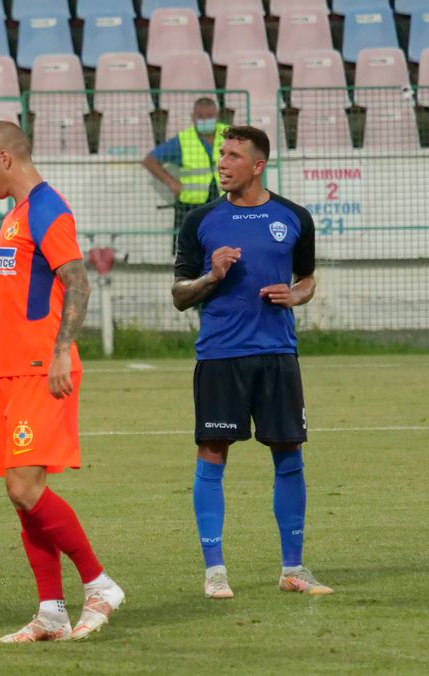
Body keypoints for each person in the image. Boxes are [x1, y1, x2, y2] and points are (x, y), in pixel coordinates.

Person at [0, 121, 125, 643]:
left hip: (43, 368)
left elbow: (76, 281)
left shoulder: (46, 208)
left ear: (6, 158)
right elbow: (14, 299)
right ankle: (51, 613)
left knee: (25, 485)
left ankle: (100, 583)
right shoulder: (14, 217)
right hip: (13, 372)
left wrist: (61, 350)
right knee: (19, 495)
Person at [171, 125, 331, 600]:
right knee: (212, 455)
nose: (223, 162)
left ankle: (293, 569)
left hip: (278, 355)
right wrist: (212, 275)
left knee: (289, 455)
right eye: (222, 153)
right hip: (221, 356)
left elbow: (307, 279)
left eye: (233, 155)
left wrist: (295, 295)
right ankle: (215, 571)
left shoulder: (294, 217)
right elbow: (180, 295)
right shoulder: (199, 221)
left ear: (258, 165)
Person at [141, 98, 228, 250]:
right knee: (191, 252)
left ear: (217, 116)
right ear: (193, 117)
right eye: (201, 117)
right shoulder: (183, 140)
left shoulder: (229, 134)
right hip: (191, 205)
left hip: (224, 202)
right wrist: (171, 182)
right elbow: (149, 161)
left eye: (210, 116)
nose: (206, 120)